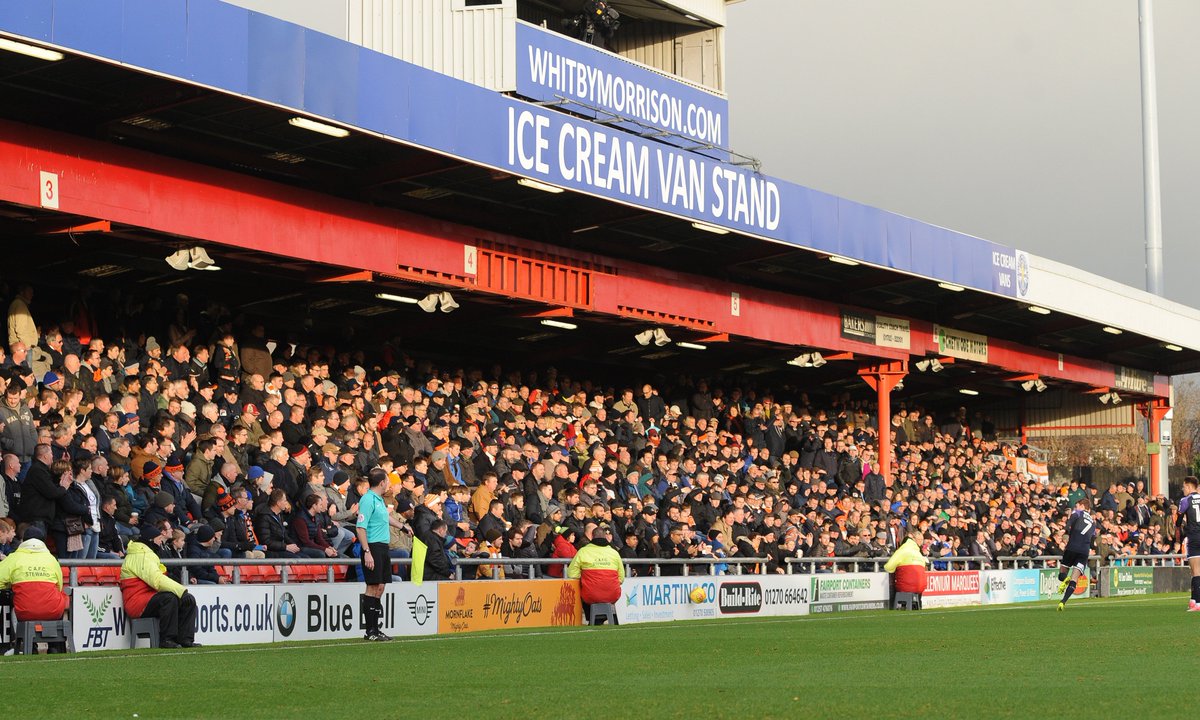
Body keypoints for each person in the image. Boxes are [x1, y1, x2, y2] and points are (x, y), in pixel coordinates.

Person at [119, 522, 199, 648]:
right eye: (159, 539)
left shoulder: (145, 554)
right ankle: (167, 639)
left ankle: (185, 639)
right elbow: (156, 580)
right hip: (137, 602)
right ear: (151, 540)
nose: (160, 543)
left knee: (187, 600)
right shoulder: (141, 555)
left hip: (147, 599)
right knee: (170, 598)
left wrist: (180, 592)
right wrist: (181, 591)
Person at [356, 467, 398, 641]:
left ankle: (375, 628)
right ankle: (370, 631)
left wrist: (402, 526)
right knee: (372, 587)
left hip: (382, 547)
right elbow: (360, 527)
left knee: (380, 587)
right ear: (382, 482)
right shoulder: (367, 500)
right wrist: (367, 551)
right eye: (387, 480)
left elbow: (385, 518)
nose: (389, 483)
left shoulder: (379, 499)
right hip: (372, 546)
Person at [0, 526, 70, 624]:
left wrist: (11, 584)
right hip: (54, 611)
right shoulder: (51, 559)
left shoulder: (14, 557)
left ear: (23, 541)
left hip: (25, 612)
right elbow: (59, 586)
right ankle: (58, 637)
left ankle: (14, 635)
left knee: (11, 595)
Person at [566, 525, 625, 624]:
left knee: (583, 587)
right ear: (605, 537)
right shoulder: (614, 553)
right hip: (612, 595)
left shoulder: (583, 551)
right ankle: (602, 619)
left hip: (590, 596)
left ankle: (593, 619)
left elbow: (572, 574)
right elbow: (621, 578)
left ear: (592, 537)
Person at [1057, 497, 1095, 611]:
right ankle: (1063, 602)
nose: (1075, 508)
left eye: (1077, 505)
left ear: (1083, 506)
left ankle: (1065, 579)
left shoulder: (1077, 512)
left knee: (1061, 575)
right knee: (1075, 579)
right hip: (1084, 551)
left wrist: (1065, 529)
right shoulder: (1093, 522)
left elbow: (1070, 523)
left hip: (1072, 547)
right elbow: (1092, 539)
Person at [883, 530, 927, 606]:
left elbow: (888, 567)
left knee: (893, 582)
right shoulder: (918, 553)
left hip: (905, 587)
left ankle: (892, 605)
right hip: (920, 587)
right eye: (919, 540)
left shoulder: (903, 549)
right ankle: (917, 606)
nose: (920, 542)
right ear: (913, 539)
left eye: (922, 540)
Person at [1175, 476, 1200, 612]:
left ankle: (1198, 603)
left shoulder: (1185, 500)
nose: (1183, 489)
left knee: (1195, 571)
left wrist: (1182, 525)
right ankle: (1193, 599)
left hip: (1194, 537)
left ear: (1189, 487)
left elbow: (1178, 522)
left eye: (1184, 487)